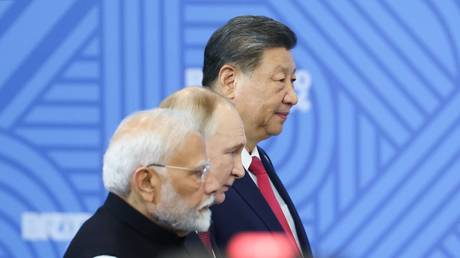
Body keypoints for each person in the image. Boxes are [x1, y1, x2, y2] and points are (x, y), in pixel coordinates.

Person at [202, 15, 313, 257]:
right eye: (280, 80)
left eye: (293, 81)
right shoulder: (195, 169)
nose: (292, 97)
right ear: (230, 81)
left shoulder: (258, 161)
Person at [64, 108, 216, 258]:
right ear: (147, 182)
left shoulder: (177, 231)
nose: (211, 186)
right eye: (198, 173)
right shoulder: (107, 252)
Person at [160, 86, 246, 256]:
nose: (240, 171)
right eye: (231, 152)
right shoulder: (147, 242)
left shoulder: (213, 219)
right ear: (191, 148)